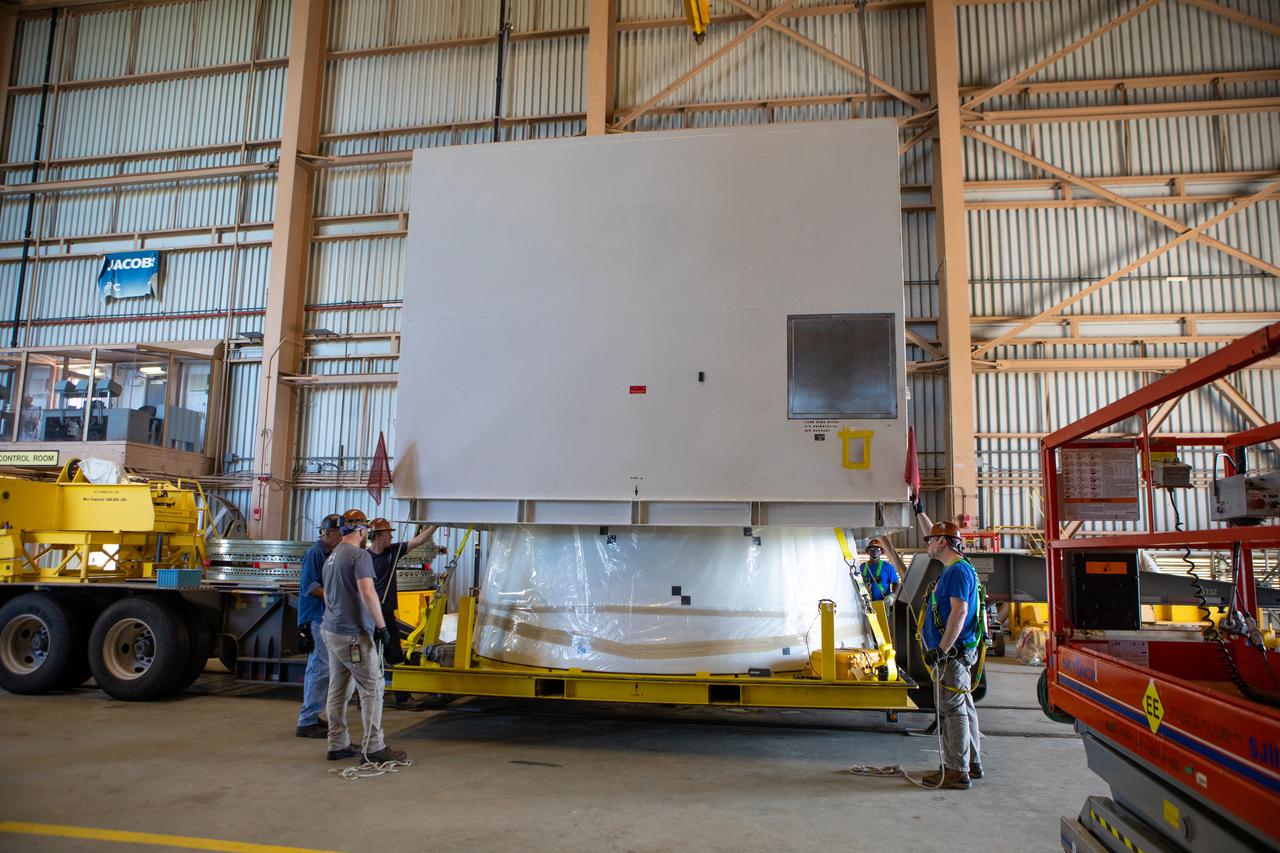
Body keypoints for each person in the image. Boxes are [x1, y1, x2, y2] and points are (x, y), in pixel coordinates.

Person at [320, 508, 407, 763]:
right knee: (372, 687)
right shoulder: (359, 555)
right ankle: (375, 747)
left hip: (332, 630)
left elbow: (329, 594)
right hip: (354, 636)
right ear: (361, 529)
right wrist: (382, 628)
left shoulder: (333, 555)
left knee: (338, 689)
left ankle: (337, 744)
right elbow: (368, 593)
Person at [918, 519, 983, 789]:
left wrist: (941, 649)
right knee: (964, 707)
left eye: (931, 540)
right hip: (956, 653)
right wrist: (919, 511)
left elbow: (960, 612)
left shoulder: (956, 572)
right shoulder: (957, 568)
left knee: (953, 710)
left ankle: (956, 770)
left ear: (943, 543)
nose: (928, 544)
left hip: (951, 656)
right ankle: (972, 762)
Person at [366, 518, 440, 667]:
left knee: (395, 653)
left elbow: (418, 541)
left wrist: (435, 525)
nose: (391, 536)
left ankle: (396, 679)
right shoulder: (364, 558)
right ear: (378, 536)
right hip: (369, 615)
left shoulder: (393, 551)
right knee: (368, 656)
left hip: (387, 613)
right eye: (388, 533)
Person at [295, 513, 342, 738]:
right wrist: (336, 597)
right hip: (315, 616)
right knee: (319, 667)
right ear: (327, 533)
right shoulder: (315, 553)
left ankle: (312, 714)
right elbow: (310, 586)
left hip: (324, 615)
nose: (341, 538)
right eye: (339, 534)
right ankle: (307, 721)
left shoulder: (330, 554)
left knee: (323, 667)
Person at [859, 539, 900, 604]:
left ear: (881, 552)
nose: (875, 551)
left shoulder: (887, 567)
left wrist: (892, 596)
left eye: (877, 549)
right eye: (872, 549)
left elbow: (896, 583)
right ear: (868, 551)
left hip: (883, 603)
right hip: (865, 604)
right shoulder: (862, 567)